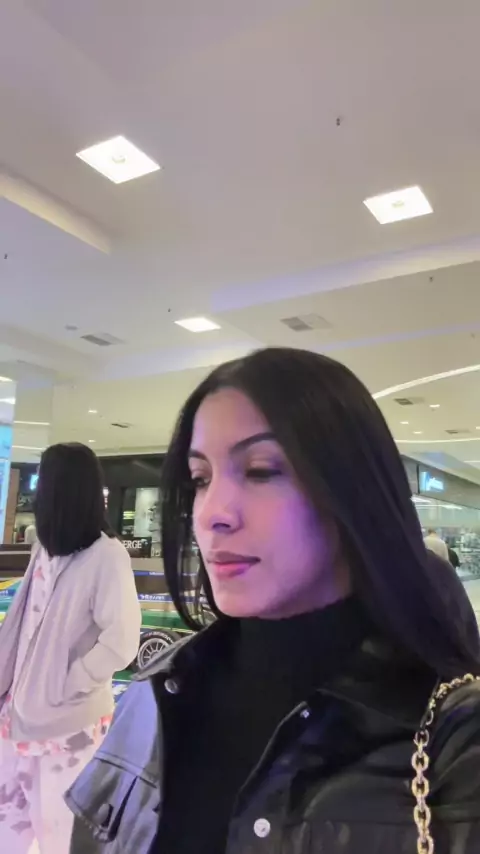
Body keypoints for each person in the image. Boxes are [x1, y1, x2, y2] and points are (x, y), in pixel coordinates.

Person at [67, 348, 480, 854]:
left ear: (351, 491)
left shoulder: (454, 743)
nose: (211, 513)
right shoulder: (156, 694)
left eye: (260, 470)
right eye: (200, 479)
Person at [0, 442, 141, 854]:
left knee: (61, 833)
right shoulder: (44, 548)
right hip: (17, 715)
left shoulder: (107, 556)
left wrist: (68, 681)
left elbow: (121, 641)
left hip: (68, 725)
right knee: (9, 825)